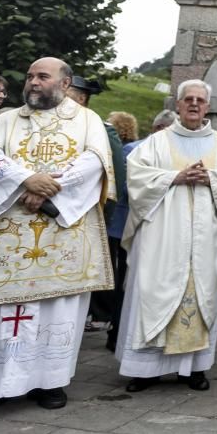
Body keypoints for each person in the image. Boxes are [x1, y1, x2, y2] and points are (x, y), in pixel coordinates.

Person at [0, 56, 113, 415]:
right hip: (6, 229)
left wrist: (48, 188)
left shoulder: (87, 119)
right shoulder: (6, 119)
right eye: (31, 76)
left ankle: (49, 382)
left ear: (65, 84)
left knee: (55, 309)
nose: (33, 82)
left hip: (61, 232)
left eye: (42, 76)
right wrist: (25, 182)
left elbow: (95, 161)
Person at [116, 80, 217, 393]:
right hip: (161, 236)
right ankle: (145, 370)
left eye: (200, 100)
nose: (194, 104)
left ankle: (193, 369)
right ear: (178, 105)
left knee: (200, 296)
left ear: (207, 106)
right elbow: (136, 178)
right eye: (188, 100)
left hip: (205, 236)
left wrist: (212, 178)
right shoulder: (157, 142)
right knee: (152, 291)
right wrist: (176, 176)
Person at [66, 75, 125, 331]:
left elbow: (115, 176)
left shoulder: (101, 128)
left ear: (81, 98)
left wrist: (104, 214)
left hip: (87, 212)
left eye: (66, 93)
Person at [101, 111, 138, 352]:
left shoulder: (129, 149)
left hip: (123, 222)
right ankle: (116, 331)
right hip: (127, 222)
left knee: (121, 277)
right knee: (122, 277)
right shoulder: (134, 147)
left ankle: (117, 331)